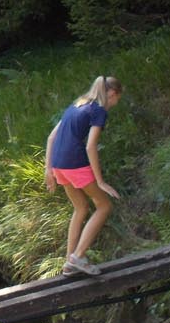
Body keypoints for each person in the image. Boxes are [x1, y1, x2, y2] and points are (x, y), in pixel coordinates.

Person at [44, 75, 123, 276]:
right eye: (117, 99)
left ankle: (69, 263)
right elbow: (90, 146)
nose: (116, 103)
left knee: (80, 207)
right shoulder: (98, 110)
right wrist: (100, 181)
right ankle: (78, 256)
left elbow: (51, 137)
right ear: (113, 94)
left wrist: (48, 169)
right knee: (104, 206)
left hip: (58, 164)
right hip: (74, 163)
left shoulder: (77, 104)